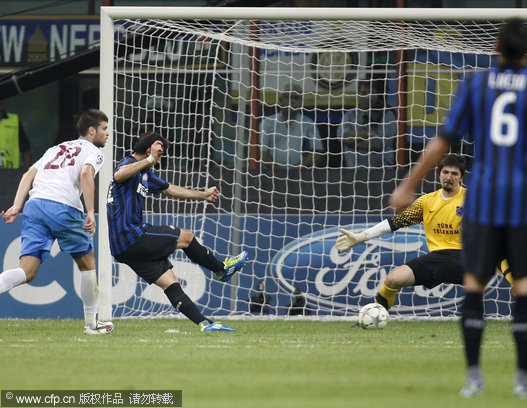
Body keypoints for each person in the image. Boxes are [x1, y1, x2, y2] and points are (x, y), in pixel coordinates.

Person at [388, 19, 527, 399]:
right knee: (525, 288)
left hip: (481, 203)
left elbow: (443, 139)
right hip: (523, 203)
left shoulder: (475, 84)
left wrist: (410, 183)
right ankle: (523, 379)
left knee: (473, 287)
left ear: (496, 47)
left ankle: (473, 379)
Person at [337, 154, 527, 310]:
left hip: (469, 259)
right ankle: (376, 314)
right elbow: (395, 222)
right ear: (439, 175)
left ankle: (517, 284)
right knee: (393, 279)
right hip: (438, 260)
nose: (449, 177)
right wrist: (360, 237)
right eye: (445, 172)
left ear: (461, 178)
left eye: (454, 173)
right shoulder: (426, 202)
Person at [107, 131, 248, 332]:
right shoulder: (128, 164)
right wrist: (149, 159)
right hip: (131, 235)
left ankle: (205, 324)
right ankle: (221, 269)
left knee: (170, 282)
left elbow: (169, 188)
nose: (159, 159)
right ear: (149, 150)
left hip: (123, 248)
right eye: (160, 154)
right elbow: (118, 175)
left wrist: (203, 195)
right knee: (187, 237)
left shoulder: (145, 173)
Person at [0, 109, 113, 334]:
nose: (107, 134)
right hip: (63, 206)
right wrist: (90, 212)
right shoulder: (92, 150)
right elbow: (86, 174)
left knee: (27, 271)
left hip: (35, 205)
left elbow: (28, 175)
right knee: (87, 263)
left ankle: (93, 324)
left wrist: (16, 205)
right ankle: (92, 324)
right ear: (92, 130)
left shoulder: (56, 148)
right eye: (103, 128)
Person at [260, 84, 323, 169]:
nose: (292, 101)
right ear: (281, 101)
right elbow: (261, 152)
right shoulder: (267, 122)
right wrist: (278, 172)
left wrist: (296, 170)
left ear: (301, 102)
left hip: (299, 175)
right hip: (270, 174)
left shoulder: (308, 124)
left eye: (296, 98)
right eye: (288, 97)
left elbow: (316, 151)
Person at [338, 80, 396, 168]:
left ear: (378, 94)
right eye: (364, 93)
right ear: (358, 94)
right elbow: (342, 136)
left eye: (372, 92)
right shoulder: (349, 115)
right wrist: (369, 134)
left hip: (381, 171)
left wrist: (351, 142)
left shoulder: (387, 114)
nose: (369, 96)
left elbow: (377, 143)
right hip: (352, 169)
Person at [0, 98, 33, 169]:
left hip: (10, 173)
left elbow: (26, 149)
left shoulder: (14, 121)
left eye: (2, 98)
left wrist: (26, 175)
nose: (1, 101)